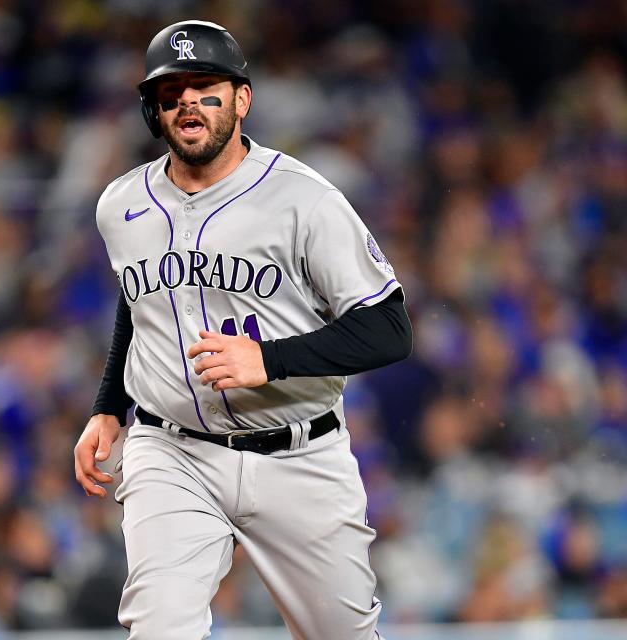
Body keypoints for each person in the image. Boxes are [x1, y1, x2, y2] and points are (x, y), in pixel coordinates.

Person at [74, 20, 412, 639]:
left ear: (241, 99)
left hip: (298, 452)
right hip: (172, 450)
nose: (188, 104)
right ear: (154, 108)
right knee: (159, 629)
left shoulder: (303, 200)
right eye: (171, 92)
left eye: (206, 87)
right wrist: (108, 407)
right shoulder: (120, 205)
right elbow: (141, 302)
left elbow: (390, 329)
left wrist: (271, 360)